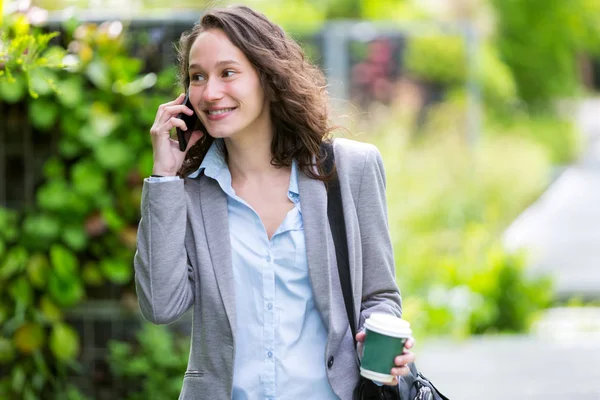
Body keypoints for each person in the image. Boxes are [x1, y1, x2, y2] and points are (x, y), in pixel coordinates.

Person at [134, 5, 415, 400]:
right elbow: (161, 305)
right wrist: (163, 178)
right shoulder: (190, 191)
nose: (210, 92)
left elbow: (379, 295)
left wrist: (380, 335)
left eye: (228, 73)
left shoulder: (351, 168)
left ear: (267, 76)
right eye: (197, 77)